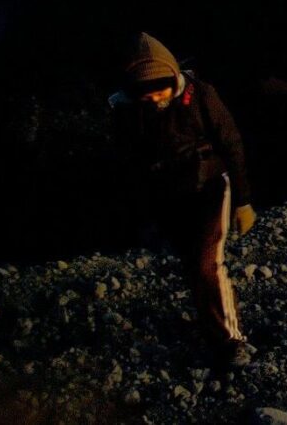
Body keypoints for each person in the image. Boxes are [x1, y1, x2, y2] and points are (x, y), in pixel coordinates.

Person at [109, 33, 255, 368]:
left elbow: (231, 143)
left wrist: (243, 201)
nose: (154, 96)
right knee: (193, 266)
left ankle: (231, 340)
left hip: (211, 187)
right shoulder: (130, 109)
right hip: (171, 195)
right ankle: (210, 322)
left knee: (207, 264)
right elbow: (129, 162)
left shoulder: (201, 95)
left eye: (158, 87)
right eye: (145, 90)